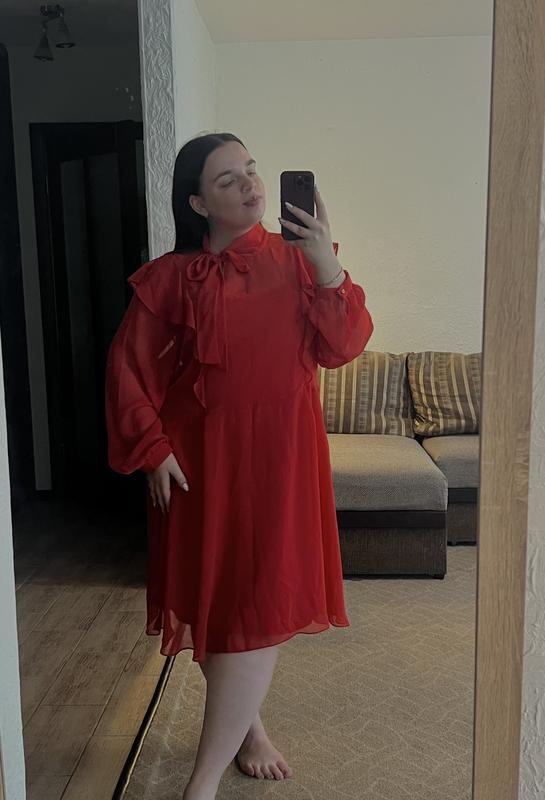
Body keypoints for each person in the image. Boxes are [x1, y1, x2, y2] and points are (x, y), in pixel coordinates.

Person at [105, 132, 374, 800]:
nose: (251, 183)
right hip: (196, 465)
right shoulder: (170, 278)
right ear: (198, 202)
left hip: (281, 461)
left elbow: (343, 346)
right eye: (228, 179)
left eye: (251, 170)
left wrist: (326, 264)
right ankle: (248, 730)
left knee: (257, 600)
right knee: (217, 601)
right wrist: (152, 449)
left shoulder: (300, 260)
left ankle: (200, 785)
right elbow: (128, 370)